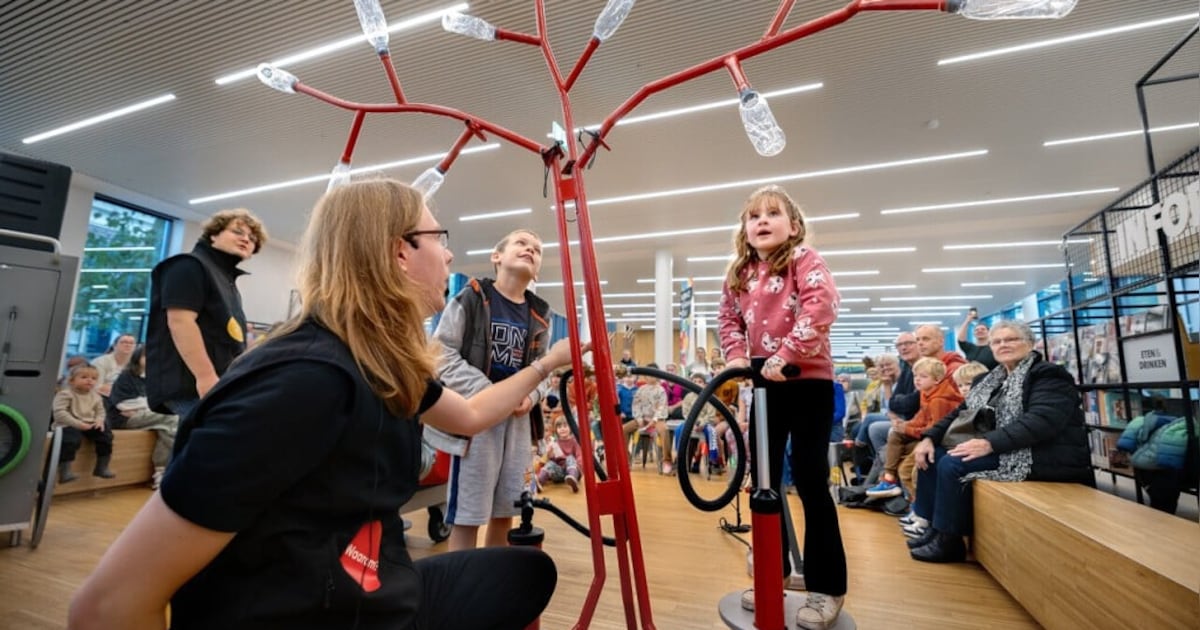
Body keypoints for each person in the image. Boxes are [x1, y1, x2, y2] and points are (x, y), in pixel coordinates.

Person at [68, 179, 575, 630]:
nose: (448, 256)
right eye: (439, 239)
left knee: (522, 573)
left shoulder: (381, 362)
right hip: (320, 607)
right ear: (399, 252)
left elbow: (471, 414)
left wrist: (548, 362)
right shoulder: (305, 382)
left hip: (363, 580)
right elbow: (106, 607)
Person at [717, 184, 846, 629]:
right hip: (762, 384)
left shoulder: (804, 260)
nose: (762, 221)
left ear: (793, 226)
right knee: (764, 483)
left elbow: (821, 307)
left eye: (773, 214)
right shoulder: (739, 272)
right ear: (745, 229)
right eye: (754, 216)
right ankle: (773, 575)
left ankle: (827, 587)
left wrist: (785, 354)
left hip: (806, 379)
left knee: (811, 481)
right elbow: (728, 319)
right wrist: (737, 357)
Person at [908, 320, 1093, 563]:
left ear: (1030, 343)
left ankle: (950, 540)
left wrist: (989, 443)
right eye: (997, 341)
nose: (1003, 345)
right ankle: (933, 526)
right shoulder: (990, 380)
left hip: (1044, 455)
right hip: (1009, 447)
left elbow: (1042, 421)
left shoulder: (1049, 375)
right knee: (934, 455)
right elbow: (960, 413)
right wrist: (929, 438)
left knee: (953, 464)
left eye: (1011, 339)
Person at [434, 229, 550, 552]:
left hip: (518, 425)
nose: (530, 249)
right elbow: (440, 353)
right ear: (496, 257)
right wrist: (491, 394)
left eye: (537, 249)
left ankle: (492, 578)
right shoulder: (471, 298)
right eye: (521, 243)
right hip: (476, 422)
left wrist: (530, 395)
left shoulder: (541, 315)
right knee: (467, 514)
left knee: (507, 511)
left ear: (537, 271)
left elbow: (544, 370)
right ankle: (461, 580)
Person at [146, 208, 268, 420]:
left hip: (218, 383)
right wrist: (205, 377)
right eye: (237, 232)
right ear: (213, 234)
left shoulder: (225, 280)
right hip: (192, 384)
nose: (246, 239)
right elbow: (180, 321)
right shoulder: (188, 265)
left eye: (252, 238)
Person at [866, 357, 962, 502]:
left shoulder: (939, 400)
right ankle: (890, 479)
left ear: (937, 380)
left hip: (937, 441)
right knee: (895, 434)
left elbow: (935, 430)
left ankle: (917, 504)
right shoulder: (926, 393)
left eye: (923, 376)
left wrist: (908, 429)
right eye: (915, 376)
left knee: (904, 469)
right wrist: (906, 425)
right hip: (925, 436)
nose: (917, 380)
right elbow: (920, 419)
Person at [106, 345, 179, 489]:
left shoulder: (156, 378)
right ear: (137, 358)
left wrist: (143, 405)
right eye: (146, 356)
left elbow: (163, 401)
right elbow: (123, 405)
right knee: (171, 418)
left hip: (146, 416)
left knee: (167, 428)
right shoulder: (126, 376)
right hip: (123, 420)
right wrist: (147, 405)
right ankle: (174, 465)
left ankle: (161, 472)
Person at [52, 364, 115, 482]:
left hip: (88, 423)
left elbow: (100, 412)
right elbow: (60, 413)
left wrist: (99, 420)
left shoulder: (96, 396)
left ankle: (102, 466)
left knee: (106, 435)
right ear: (72, 380)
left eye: (93, 378)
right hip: (68, 424)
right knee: (71, 439)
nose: (89, 380)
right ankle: (65, 471)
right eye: (84, 377)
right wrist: (78, 424)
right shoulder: (65, 394)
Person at [537, 418, 582, 492]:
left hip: (574, 470)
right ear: (556, 430)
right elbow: (553, 460)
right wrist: (550, 453)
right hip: (561, 473)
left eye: (565, 426)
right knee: (550, 463)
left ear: (570, 428)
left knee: (570, 457)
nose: (562, 429)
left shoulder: (574, 442)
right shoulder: (555, 443)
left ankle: (573, 478)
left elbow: (579, 456)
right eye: (559, 427)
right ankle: (539, 482)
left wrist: (579, 468)